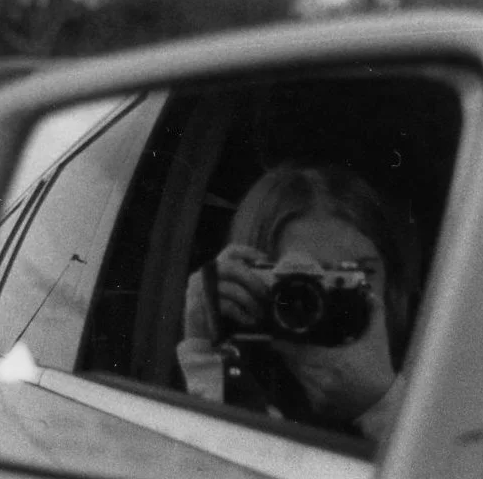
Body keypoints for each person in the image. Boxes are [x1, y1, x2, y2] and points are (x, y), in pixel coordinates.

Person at [179, 165, 421, 442]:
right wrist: (203, 349)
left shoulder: (436, 375)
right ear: (252, 283)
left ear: (392, 285)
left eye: (354, 274)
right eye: (302, 282)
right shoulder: (247, 385)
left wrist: (381, 402)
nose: (322, 300)